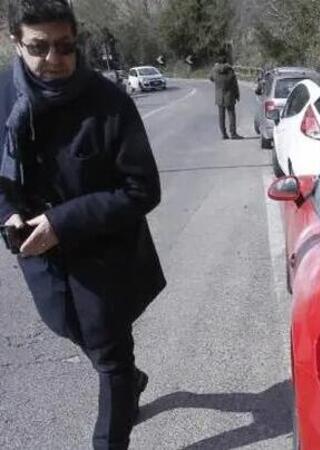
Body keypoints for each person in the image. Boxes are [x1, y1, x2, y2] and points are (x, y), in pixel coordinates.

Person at [0, 1, 165, 449]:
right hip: (43, 263)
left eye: (65, 47)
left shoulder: (109, 102)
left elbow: (143, 190)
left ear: (76, 40)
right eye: (39, 48)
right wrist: (8, 214)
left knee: (109, 356)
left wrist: (60, 222)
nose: (53, 59)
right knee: (74, 332)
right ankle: (130, 379)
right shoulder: (2, 96)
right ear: (16, 42)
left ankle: (117, 402)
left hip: (105, 260)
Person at [209, 58, 241, 139]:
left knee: (221, 117)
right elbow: (235, 84)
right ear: (226, 62)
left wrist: (214, 68)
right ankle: (233, 133)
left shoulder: (215, 70)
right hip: (229, 95)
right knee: (231, 115)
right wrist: (237, 95)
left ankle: (224, 134)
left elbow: (211, 78)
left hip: (219, 97)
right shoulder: (230, 70)